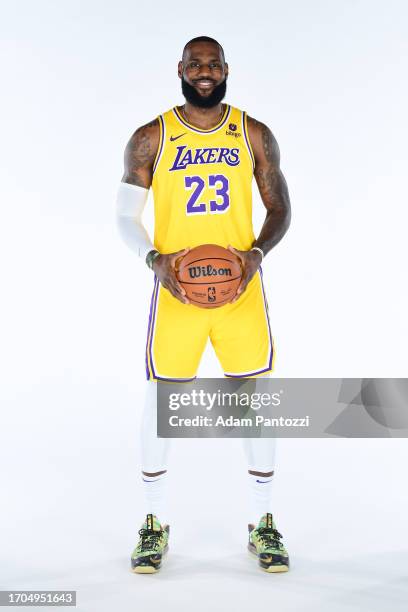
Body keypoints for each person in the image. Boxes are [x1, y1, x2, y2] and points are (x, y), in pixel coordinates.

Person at [117, 36, 291, 573]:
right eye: (196, 64)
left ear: (226, 69)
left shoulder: (254, 134)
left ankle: (263, 525)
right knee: (162, 405)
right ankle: (152, 525)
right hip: (176, 294)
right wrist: (156, 261)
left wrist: (257, 255)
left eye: (213, 64)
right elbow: (125, 217)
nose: (205, 72)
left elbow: (280, 207)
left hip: (239, 293)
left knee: (252, 404)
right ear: (181, 69)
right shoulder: (151, 137)